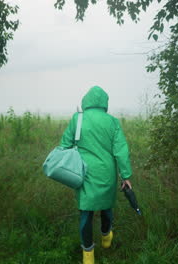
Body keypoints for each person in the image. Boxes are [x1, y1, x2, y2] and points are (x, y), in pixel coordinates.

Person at [60, 85, 133, 264]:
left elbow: (64, 145)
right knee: (106, 207)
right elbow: (121, 151)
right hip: (107, 174)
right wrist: (126, 176)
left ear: (86, 101)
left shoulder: (77, 119)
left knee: (86, 213)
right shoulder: (113, 122)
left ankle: (88, 256)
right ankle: (106, 238)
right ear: (104, 103)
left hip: (83, 174)